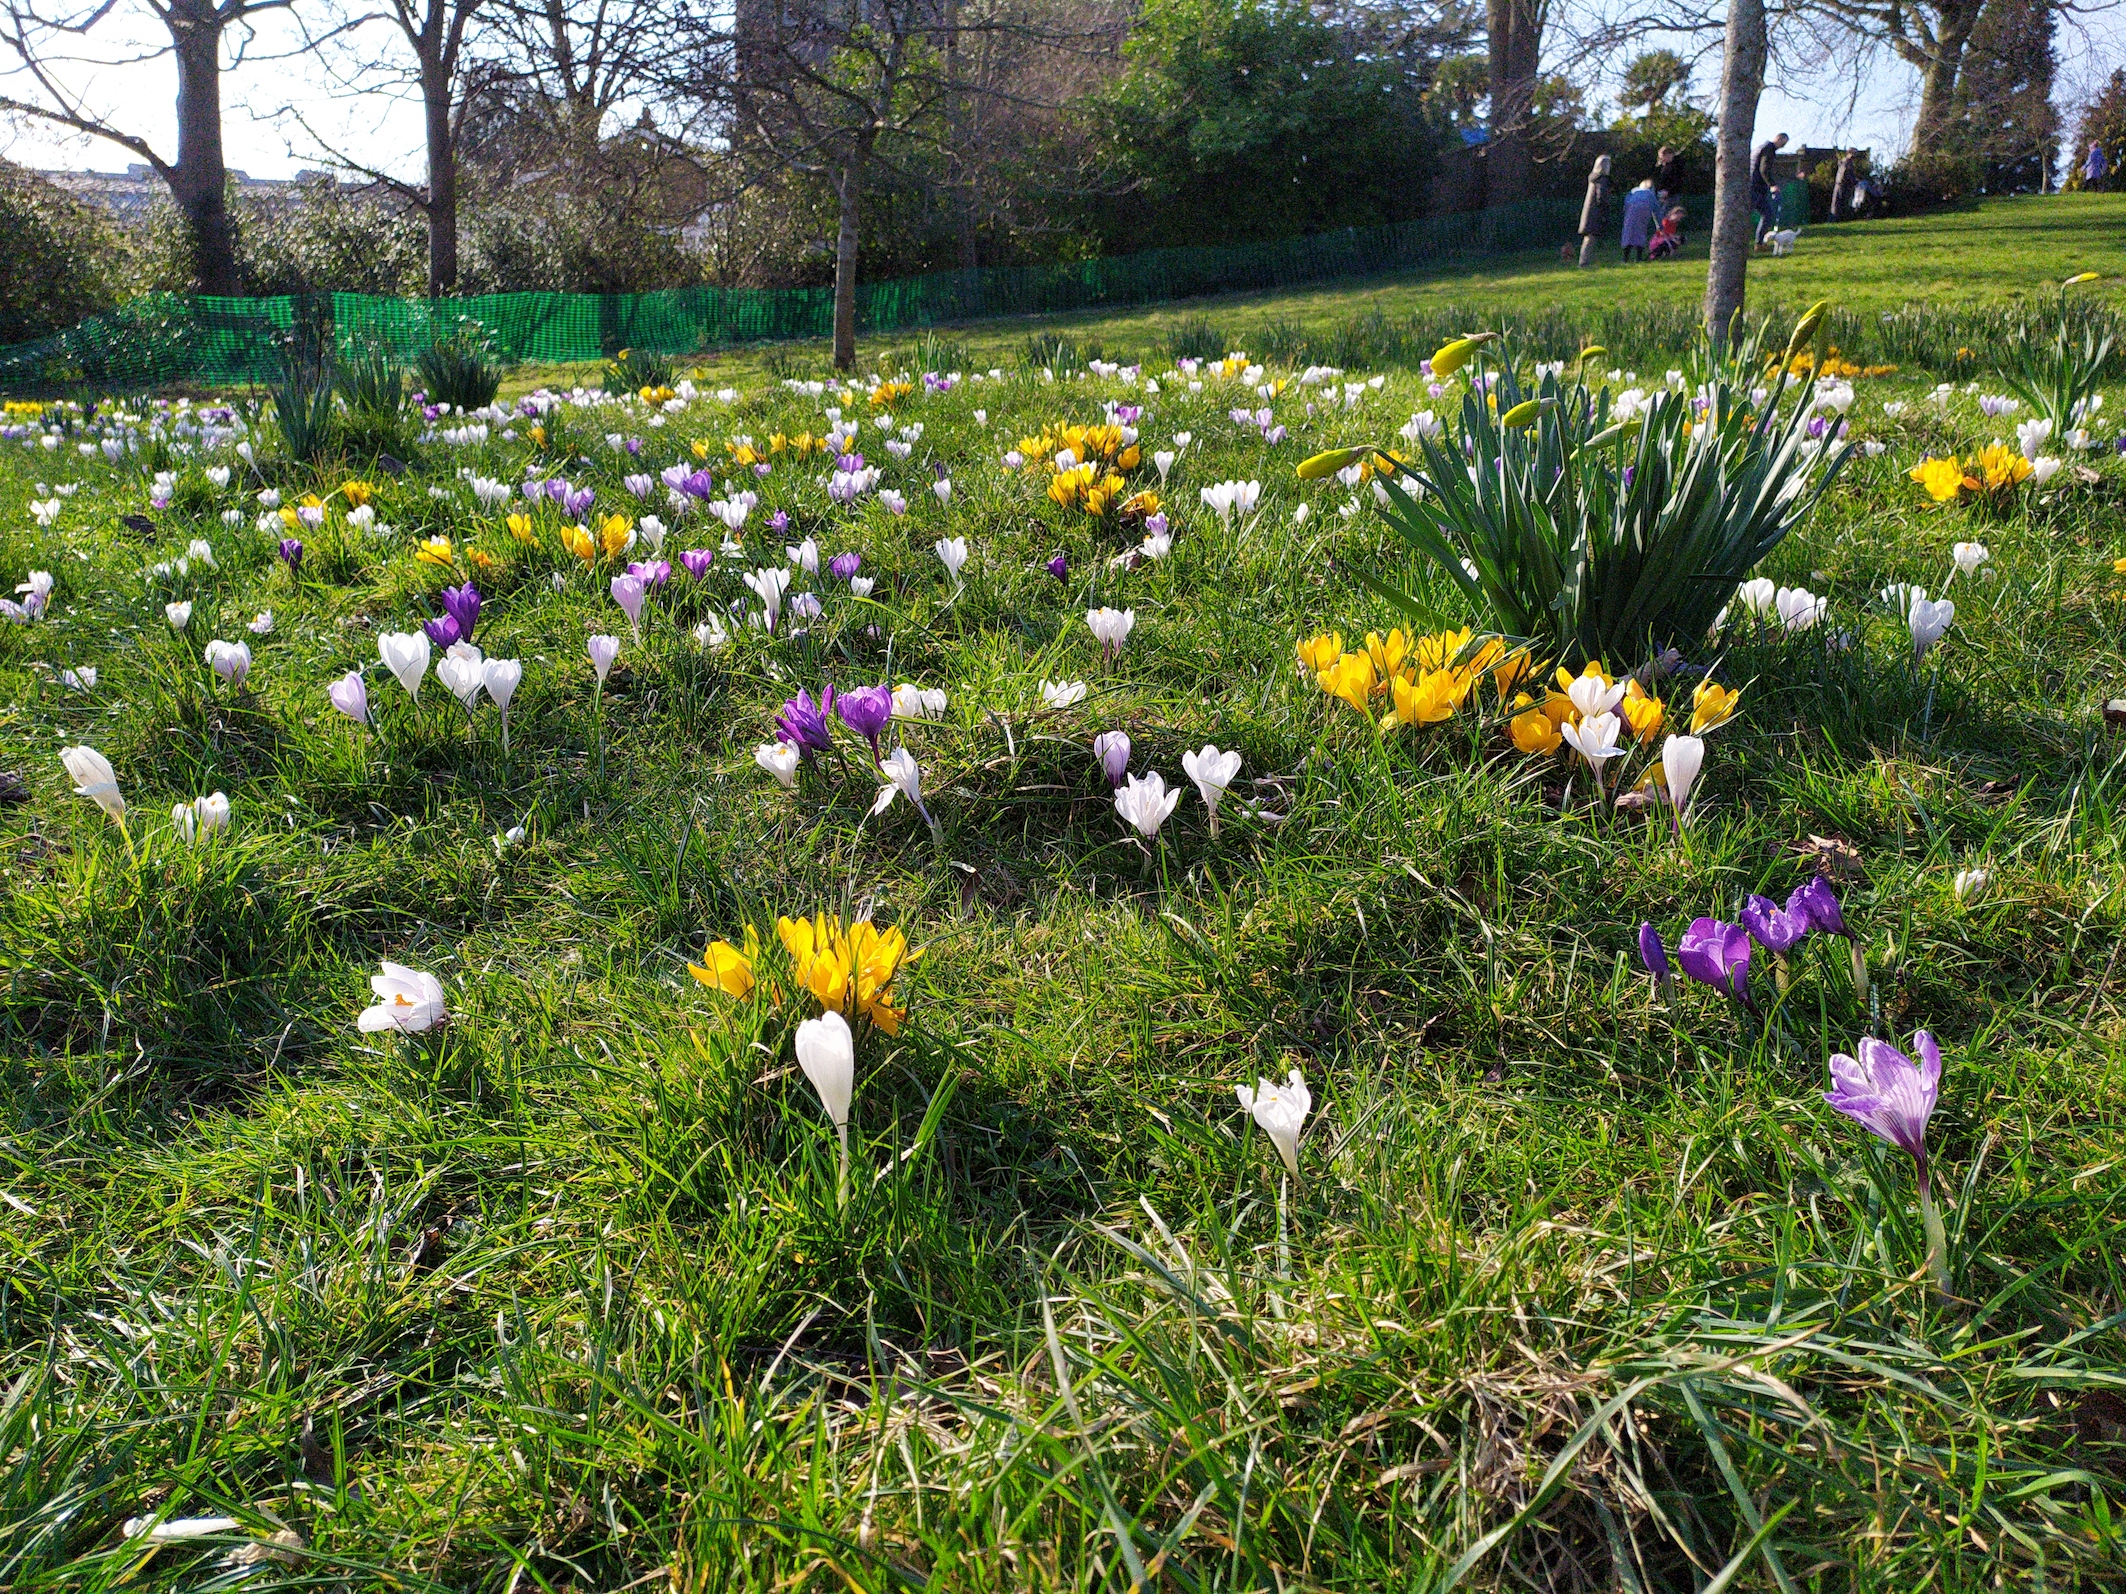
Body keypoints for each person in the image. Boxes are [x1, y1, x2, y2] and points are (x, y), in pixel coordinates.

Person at [1751, 131, 1789, 246]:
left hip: (1755, 187)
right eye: (1784, 143)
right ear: (1779, 139)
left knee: (1767, 213)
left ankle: (1760, 243)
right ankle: (1740, 244)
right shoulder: (1769, 149)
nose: (1783, 146)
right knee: (1746, 215)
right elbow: (1764, 169)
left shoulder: (1760, 147)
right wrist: (1772, 185)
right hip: (1755, 187)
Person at [1577, 153, 1613, 268]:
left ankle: (1585, 261)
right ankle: (1584, 263)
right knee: (1591, 238)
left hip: (1589, 212)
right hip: (1595, 213)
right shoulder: (1601, 179)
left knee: (1589, 238)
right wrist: (1605, 209)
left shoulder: (1593, 178)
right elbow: (1601, 196)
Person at [1620, 178, 1658, 262]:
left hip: (1630, 211)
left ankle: (1625, 258)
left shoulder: (1633, 192)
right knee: (1640, 232)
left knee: (1628, 233)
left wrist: (1625, 212)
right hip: (1644, 211)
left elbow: (1626, 202)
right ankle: (1638, 257)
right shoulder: (1650, 194)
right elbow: (1656, 209)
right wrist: (1659, 225)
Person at [1830, 150, 1857, 220]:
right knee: (1839, 203)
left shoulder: (1845, 162)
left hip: (1842, 185)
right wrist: (1853, 181)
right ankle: (1836, 218)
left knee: (1838, 203)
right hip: (1843, 185)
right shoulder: (1847, 163)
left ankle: (1837, 217)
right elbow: (1845, 175)